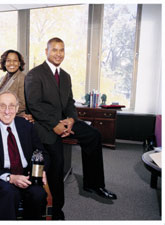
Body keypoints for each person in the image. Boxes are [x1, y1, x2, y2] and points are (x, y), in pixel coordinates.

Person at [24, 37, 117, 220]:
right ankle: (56, 210)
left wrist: (72, 120)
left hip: (65, 120)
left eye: (61, 50)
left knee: (93, 135)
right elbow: (34, 105)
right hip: (45, 125)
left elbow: (69, 102)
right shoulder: (35, 74)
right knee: (57, 164)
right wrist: (55, 125)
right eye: (54, 50)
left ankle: (94, 184)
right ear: (46, 51)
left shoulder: (65, 76)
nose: (58, 54)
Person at [0, 90, 48, 220]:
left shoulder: (26, 126)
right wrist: (10, 178)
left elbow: (42, 152)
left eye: (11, 106)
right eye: (3, 106)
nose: (7, 111)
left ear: (16, 108)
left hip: (26, 174)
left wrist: (41, 170)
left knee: (38, 194)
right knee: (8, 193)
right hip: (0, 177)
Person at [0, 50, 32, 122]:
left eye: (15, 60)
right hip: (2, 119)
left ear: (19, 63)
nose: (11, 63)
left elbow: (22, 104)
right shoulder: (1, 80)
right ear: (4, 63)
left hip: (17, 119)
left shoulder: (22, 78)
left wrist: (3, 111)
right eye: (8, 60)